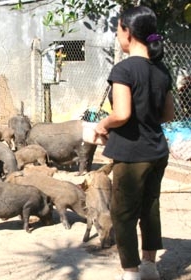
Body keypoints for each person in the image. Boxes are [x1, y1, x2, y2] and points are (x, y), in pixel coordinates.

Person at [94, 5, 175, 280]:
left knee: (123, 213)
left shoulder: (124, 69)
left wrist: (102, 124)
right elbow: (168, 114)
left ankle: (131, 272)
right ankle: (150, 266)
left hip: (132, 154)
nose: (118, 36)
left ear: (128, 32)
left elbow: (121, 114)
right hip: (157, 151)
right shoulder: (162, 70)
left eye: (118, 30)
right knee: (150, 208)